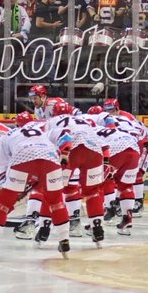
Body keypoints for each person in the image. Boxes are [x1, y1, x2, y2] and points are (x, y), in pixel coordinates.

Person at [0, 111, 72, 260]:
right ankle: (64, 242)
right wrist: (64, 154)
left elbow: (3, 168)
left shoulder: (7, 135)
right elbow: (66, 135)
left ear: (17, 124)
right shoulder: (42, 128)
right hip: (50, 158)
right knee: (56, 203)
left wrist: (10, 196)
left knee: (2, 204)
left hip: (22, 158)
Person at [44, 101, 106, 245]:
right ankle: (97, 226)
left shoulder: (51, 121)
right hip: (95, 152)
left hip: (71, 150)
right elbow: (102, 139)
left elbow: (48, 143)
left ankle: (44, 228)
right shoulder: (85, 120)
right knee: (92, 192)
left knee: (54, 190)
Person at [94, 114, 142, 235]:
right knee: (126, 186)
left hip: (115, 149)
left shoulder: (91, 130)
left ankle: (95, 221)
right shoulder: (117, 123)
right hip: (134, 147)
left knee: (97, 185)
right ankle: (127, 219)